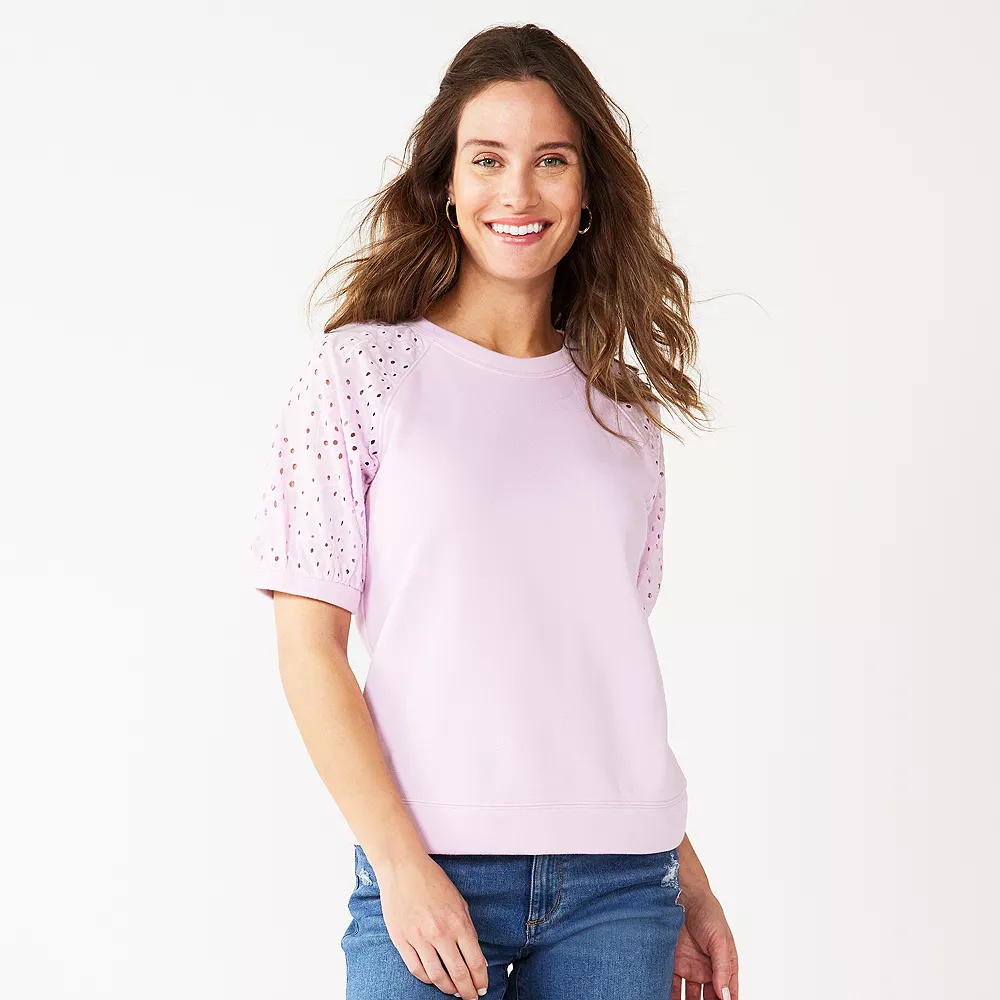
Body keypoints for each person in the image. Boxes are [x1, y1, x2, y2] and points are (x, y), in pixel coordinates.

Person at [248, 22, 739, 1000]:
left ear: (588, 191)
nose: (518, 192)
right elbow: (309, 650)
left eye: (551, 160)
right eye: (487, 159)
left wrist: (690, 881)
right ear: (445, 181)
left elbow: (589, 679)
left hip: (623, 890)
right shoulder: (359, 375)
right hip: (428, 869)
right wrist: (400, 867)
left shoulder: (624, 416)